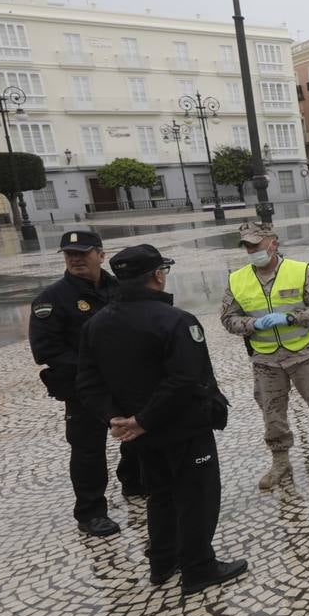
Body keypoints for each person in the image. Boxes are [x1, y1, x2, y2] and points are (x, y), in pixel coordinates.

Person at [76, 244, 247, 595]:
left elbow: (88, 383)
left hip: (141, 435)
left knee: (161, 495)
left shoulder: (95, 325)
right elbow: (186, 380)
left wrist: (118, 419)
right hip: (182, 427)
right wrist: (142, 419)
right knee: (197, 495)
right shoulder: (176, 321)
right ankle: (199, 567)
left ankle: (163, 561)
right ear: (157, 275)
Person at [28, 228, 143, 538]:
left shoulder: (120, 288)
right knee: (87, 450)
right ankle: (91, 512)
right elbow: (46, 350)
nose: (76, 260)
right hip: (84, 389)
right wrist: (93, 368)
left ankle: (135, 483)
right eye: (70, 255)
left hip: (124, 381)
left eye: (83, 254)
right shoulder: (51, 300)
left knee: (135, 433)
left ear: (100, 255)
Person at [220, 221, 309, 489]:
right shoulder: (237, 279)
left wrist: (291, 318)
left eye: (255, 244)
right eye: (247, 246)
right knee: (272, 413)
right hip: (265, 358)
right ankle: (281, 461)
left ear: (273, 243)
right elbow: (228, 319)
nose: (251, 250)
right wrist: (251, 325)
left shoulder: (299, 270)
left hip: (304, 353)